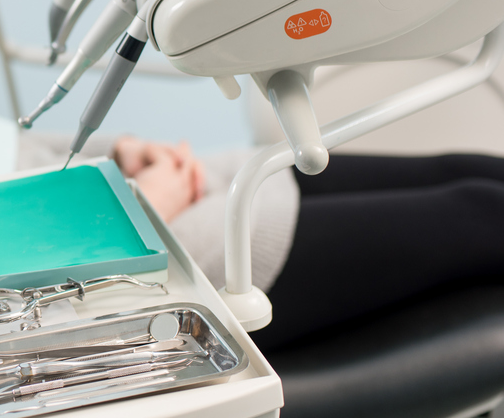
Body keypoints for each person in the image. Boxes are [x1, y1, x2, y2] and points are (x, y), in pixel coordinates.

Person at [88, 135, 504, 352]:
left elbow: (38, 148)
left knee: (472, 169)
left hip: (217, 181)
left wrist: (122, 148)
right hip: (193, 257)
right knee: (483, 210)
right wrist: (142, 207)